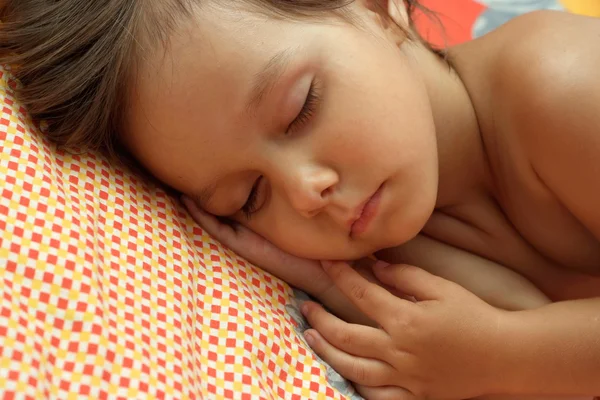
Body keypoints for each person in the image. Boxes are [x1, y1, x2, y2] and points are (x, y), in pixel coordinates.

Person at [1, 0, 599, 398]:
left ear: (371, 9)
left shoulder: (562, 86)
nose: (305, 191)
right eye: (250, 197)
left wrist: (503, 355)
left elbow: (525, 346)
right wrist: (332, 282)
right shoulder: (397, 230)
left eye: (301, 110)